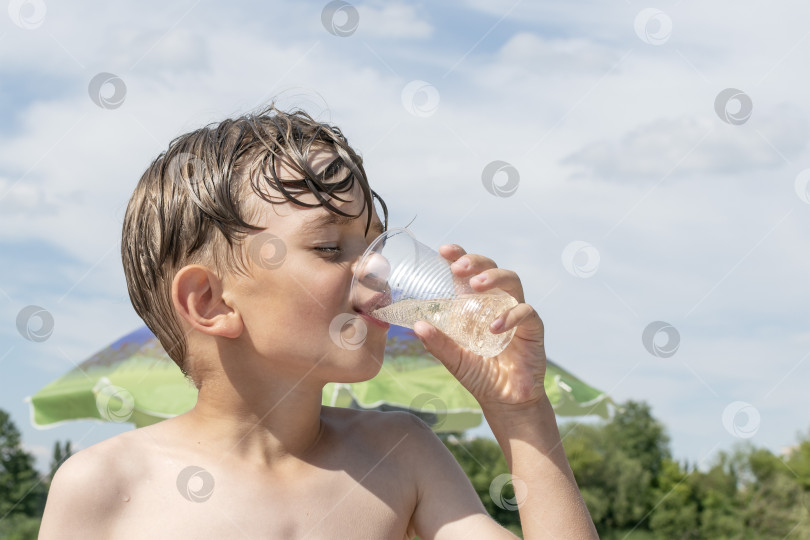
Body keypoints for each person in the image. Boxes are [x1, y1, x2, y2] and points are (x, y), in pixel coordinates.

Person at [39, 105, 598, 539]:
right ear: (210, 302)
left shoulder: (400, 454)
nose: (378, 266)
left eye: (375, 238)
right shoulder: (107, 486)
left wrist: (521, 414)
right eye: (331, 247)